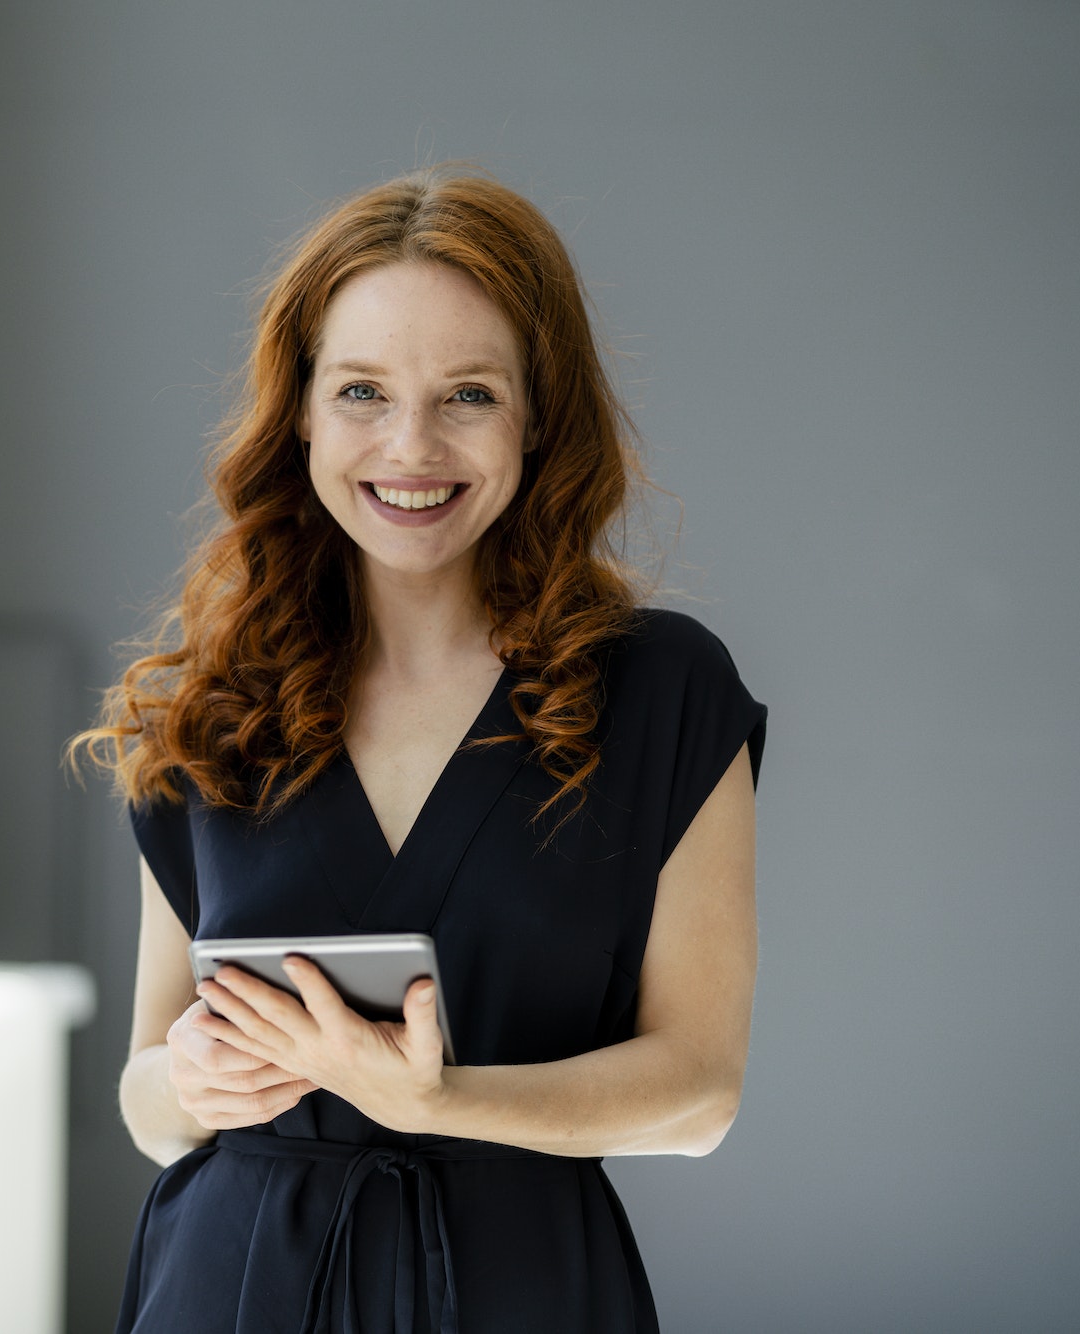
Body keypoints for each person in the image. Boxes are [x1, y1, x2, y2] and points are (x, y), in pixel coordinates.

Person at [66, 165, 768, 1333]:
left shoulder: (661, 691)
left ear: (538, 414)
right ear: (296, 412)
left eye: (468, 396)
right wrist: (191, 1080)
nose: (409, 445)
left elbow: (697, 1090)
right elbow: (147, 1094)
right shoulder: (210, 701)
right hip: (232, 1287)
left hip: (520, 1291)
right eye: (359, 391)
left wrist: (439, 1098)